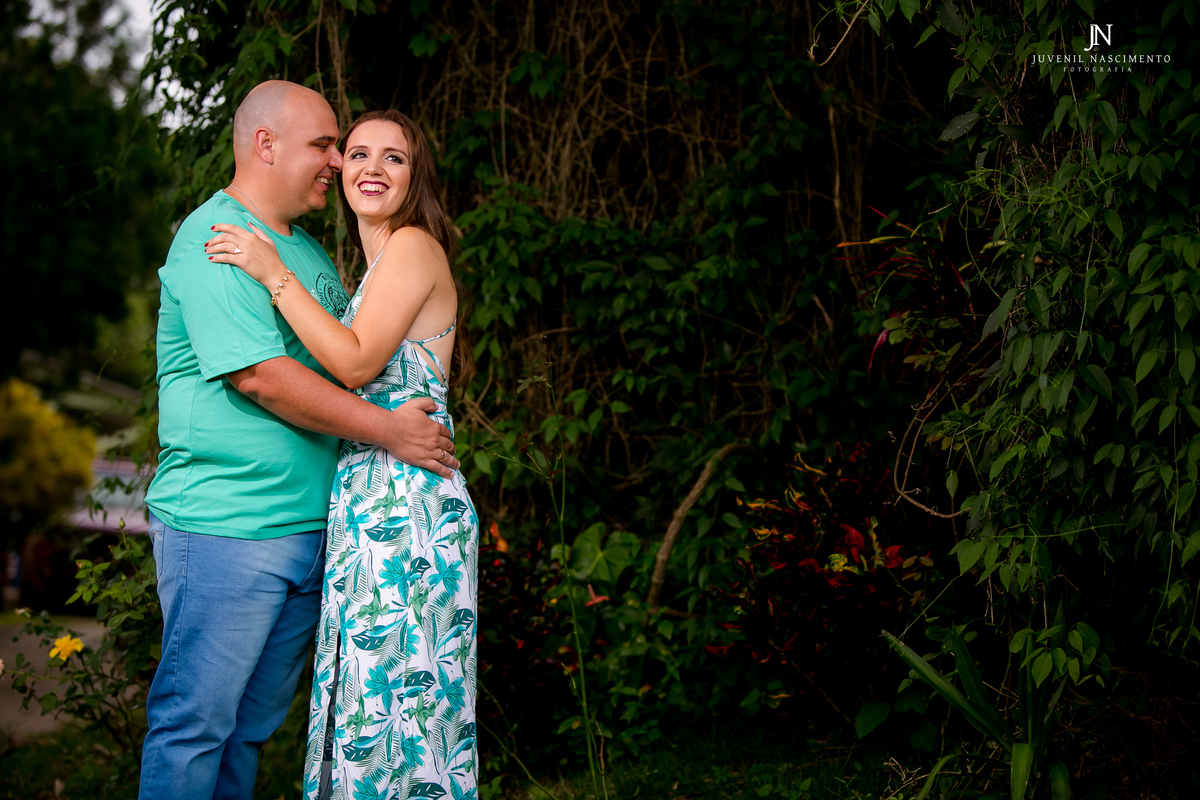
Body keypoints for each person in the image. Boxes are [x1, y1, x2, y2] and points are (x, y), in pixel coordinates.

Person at [141, 84, 462, 800]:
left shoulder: (308, 253)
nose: (337, 161)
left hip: (320, 530)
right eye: (327, 145)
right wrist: (390, 430)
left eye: (376, 153)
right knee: (195, 728)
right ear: (266, 144)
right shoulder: (217, 237)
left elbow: (352, 361)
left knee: (247, 733)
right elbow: (261, 376)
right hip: (229, 527)